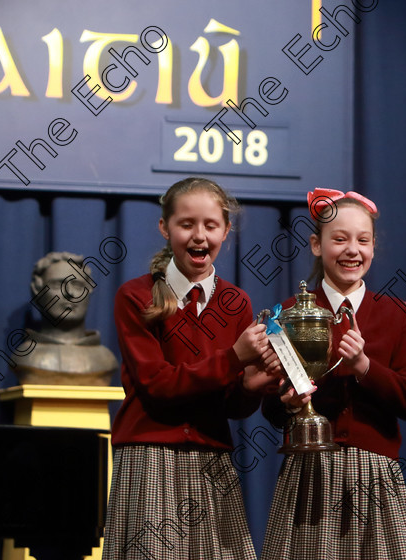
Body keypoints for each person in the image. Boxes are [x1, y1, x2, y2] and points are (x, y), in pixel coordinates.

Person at [103, 177, 281, 560]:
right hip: (150, 457)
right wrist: (235, 357)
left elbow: (231, 405)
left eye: (210, 225)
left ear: (226, 230)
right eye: (186, 224)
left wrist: (254, 385)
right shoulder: (135, 296)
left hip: (212, 460)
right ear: (165, 228)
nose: (199, 236)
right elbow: (158, 385)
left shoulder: (236, 301)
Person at [260, 189, 406, 560]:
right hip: (310, 470)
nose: (353, 250)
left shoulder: (396, 315)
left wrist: (365, 367)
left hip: (375, 474)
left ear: (373, 246)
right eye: (339, 239)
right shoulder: (290, 312)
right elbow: (270, 407)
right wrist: (285, 402)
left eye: (363, 240)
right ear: (317, 245)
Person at [10, 251, 117, 385]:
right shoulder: (26, 358)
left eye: (77, 286)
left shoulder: (105, 360)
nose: (70, 293)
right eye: (57, 285)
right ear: (37, 290)